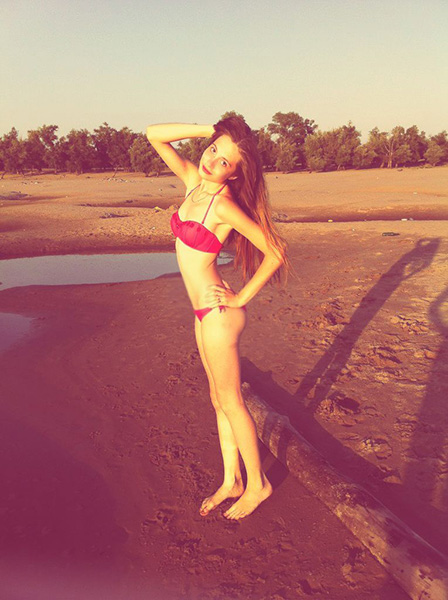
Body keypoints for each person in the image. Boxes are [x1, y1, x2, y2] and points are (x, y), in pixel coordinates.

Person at [146, 116, 291, 520]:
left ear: (236, 173)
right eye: (213, 150)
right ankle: (232, 480)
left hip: (219, 314)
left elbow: (276, 251)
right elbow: (153, 135)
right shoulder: (194, 181)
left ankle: (257, 484)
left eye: (224, 161)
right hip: (203, 312)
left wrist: (241, 296)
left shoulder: (223, 205)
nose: (212, 161)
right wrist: (207, 129)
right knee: (218, 399)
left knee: (232, 400)